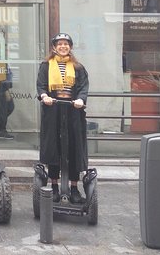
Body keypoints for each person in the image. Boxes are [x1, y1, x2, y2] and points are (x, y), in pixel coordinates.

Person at [36, 32, 89, 204]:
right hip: (53, 111)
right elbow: (41, 85)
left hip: (73, 111)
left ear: (70, 47)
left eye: (66, 44)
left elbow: (83, 87)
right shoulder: (46, 65)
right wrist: (44, 96)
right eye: (59, 44)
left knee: (73, 147)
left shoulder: (78, 67)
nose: (63, 47)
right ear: (54, 47)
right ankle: (54, 186)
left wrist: (81, 99)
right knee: (54, 147)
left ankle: (74, 188)